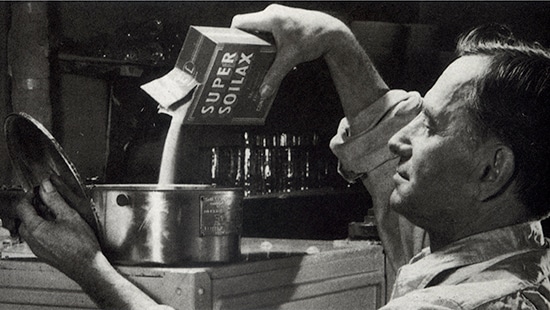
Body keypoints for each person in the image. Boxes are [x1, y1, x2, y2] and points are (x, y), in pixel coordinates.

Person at [15, 4, 550, 309]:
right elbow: (388, 160)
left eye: (429, 126)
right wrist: (337, 42)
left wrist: (87, 266)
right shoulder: (510, 248)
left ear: (492, 169)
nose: (399, 140)